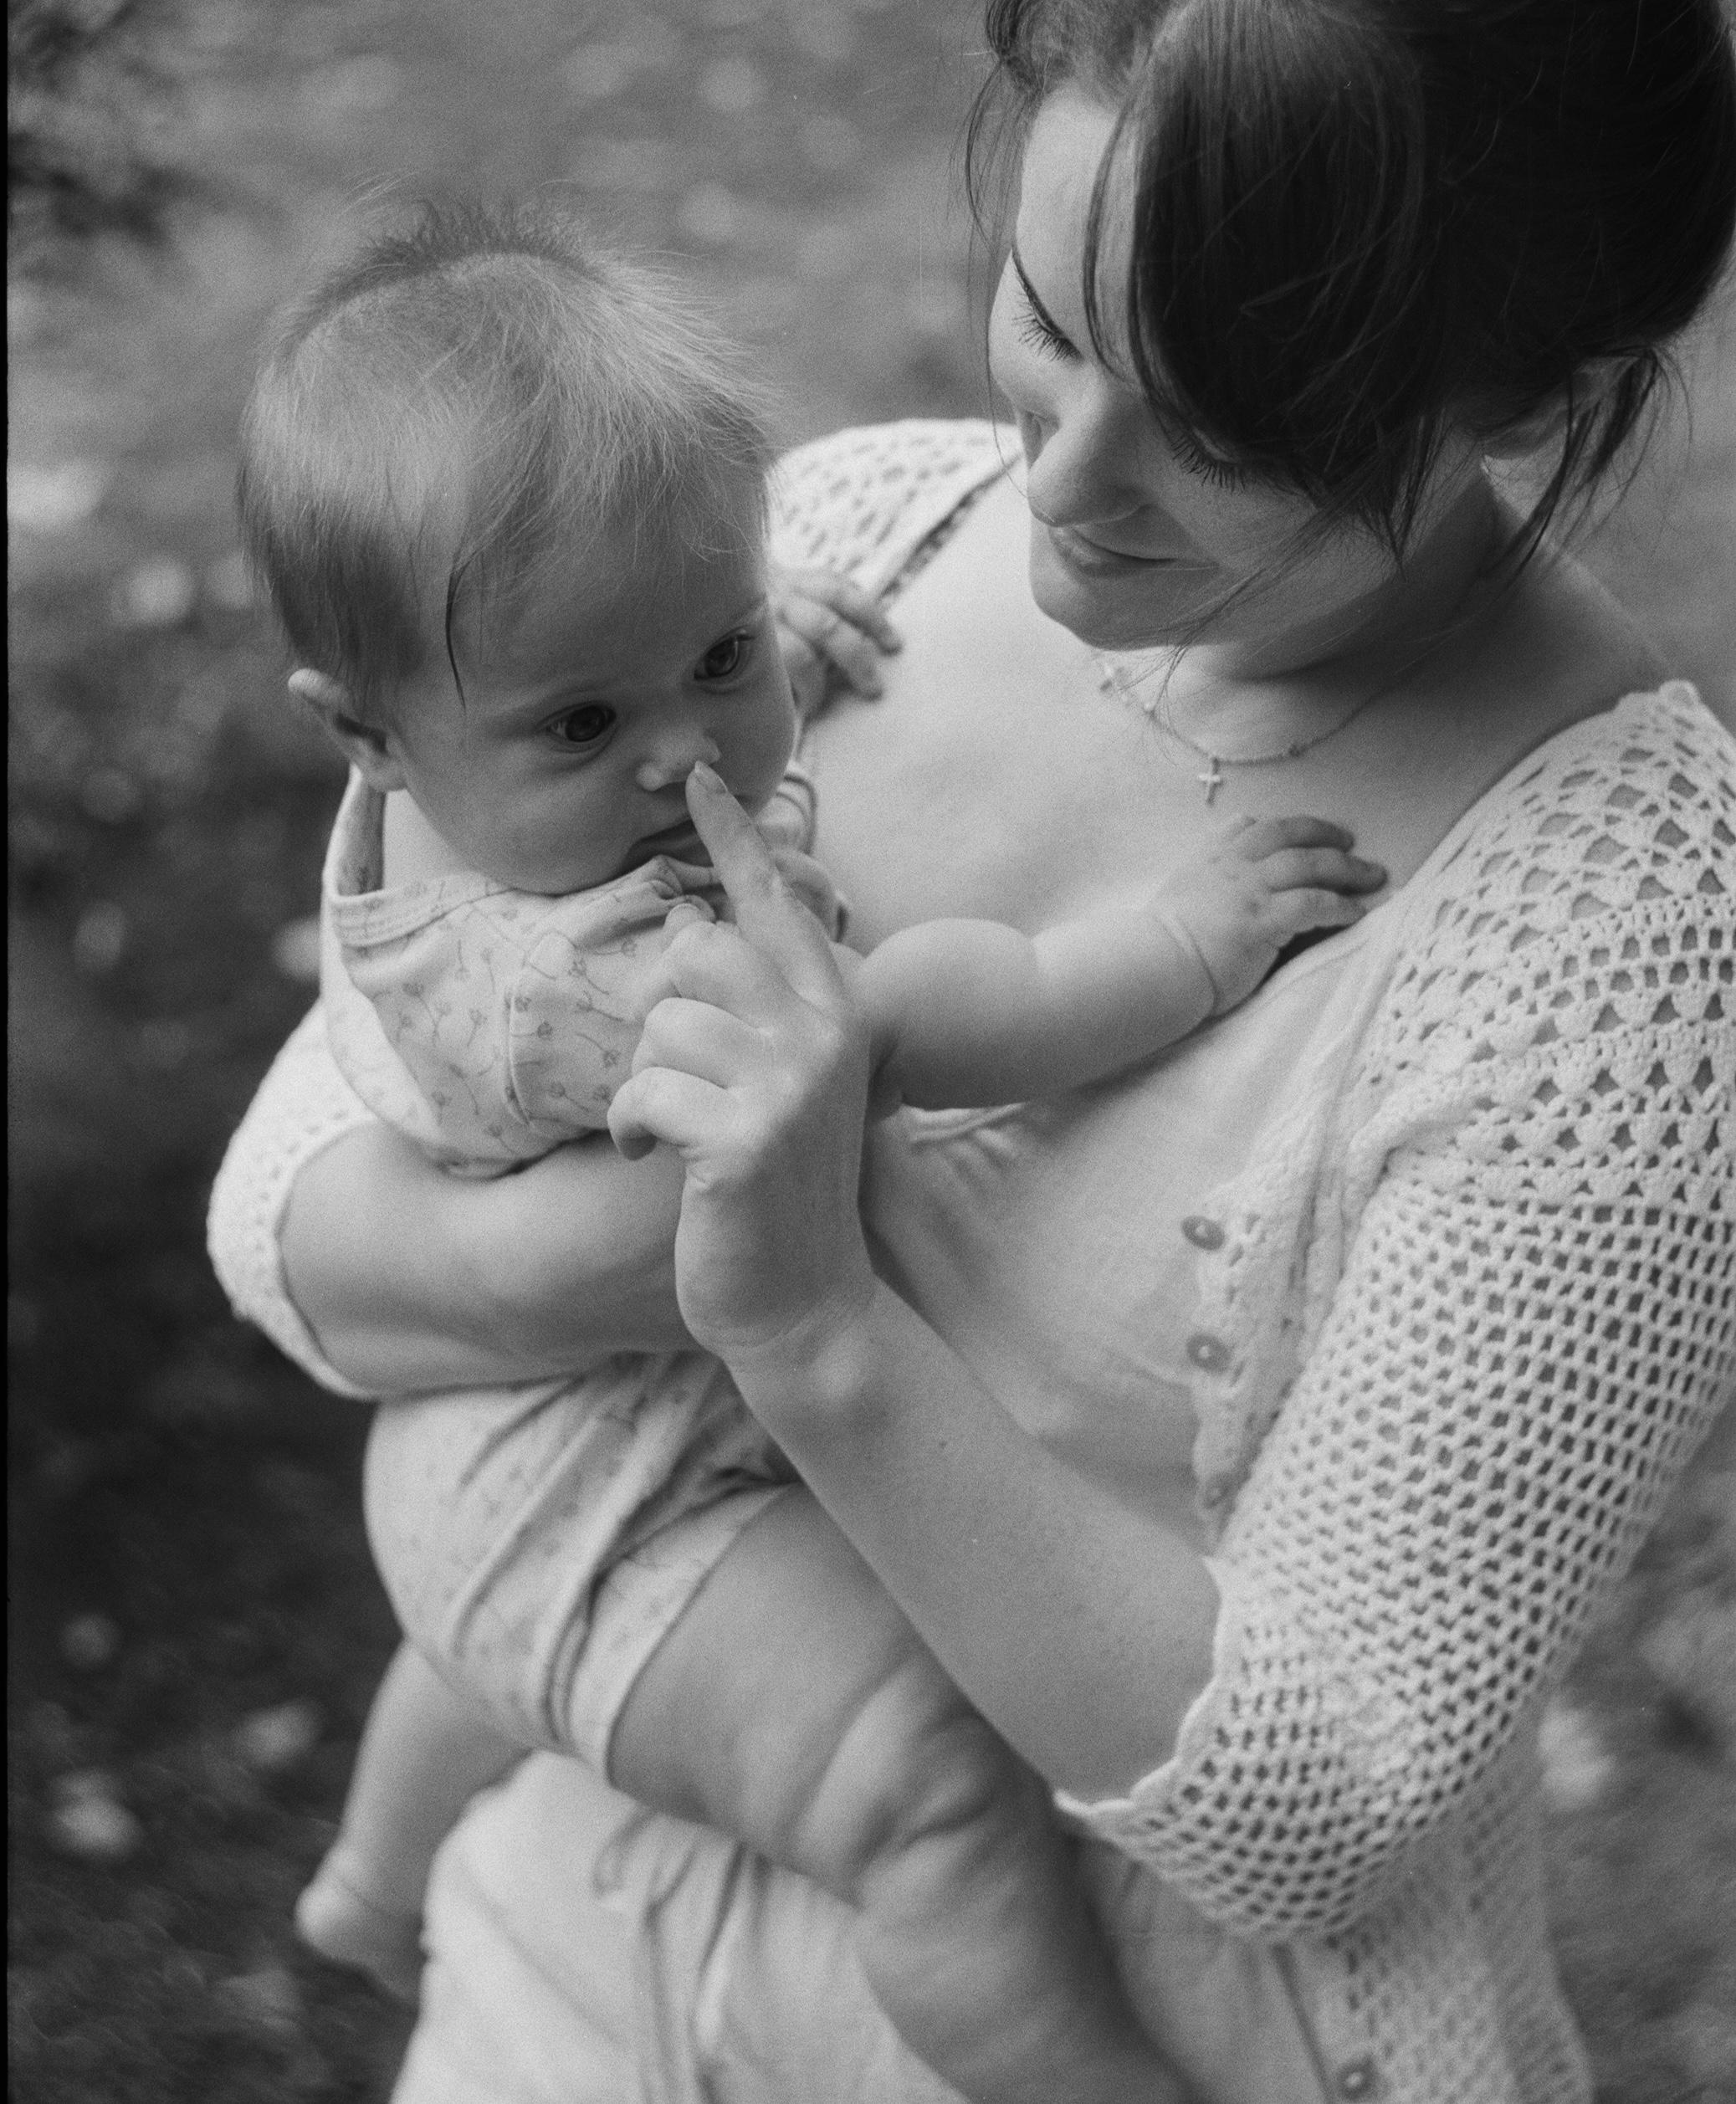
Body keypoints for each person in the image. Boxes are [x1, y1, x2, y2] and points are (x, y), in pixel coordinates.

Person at [209, 0, 1736, 2103]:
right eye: (1043, 309)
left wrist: (815, 1324)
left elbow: (1322, 1805)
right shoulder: (835, 547)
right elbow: (300, 1182)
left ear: (1521, 401)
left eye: (1217, 419)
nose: (1064, 473)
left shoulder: (1627, 954)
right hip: (575, 1918)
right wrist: (556, 1269)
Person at [235, 204, 1380, 2093]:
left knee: (481, 1639)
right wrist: (1184, 943)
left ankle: (369, 1875)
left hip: (489, 1461)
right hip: (607, 1521)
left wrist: (711, 652)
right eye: (591, 714)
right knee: (926, 1789)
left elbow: (617, 678)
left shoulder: (423, 812)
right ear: (367, 726)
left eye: (722, 646)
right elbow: (915, 1026)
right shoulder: (597, 981)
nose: (692, 753)